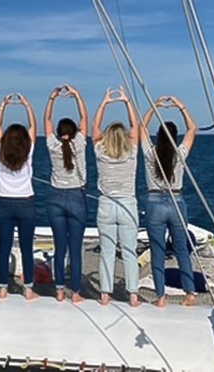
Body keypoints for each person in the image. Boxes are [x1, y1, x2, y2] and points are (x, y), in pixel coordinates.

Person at [141, 95, 198, 308]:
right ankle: (190, 293)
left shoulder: (149, 154)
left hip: (154, 202)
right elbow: (193, 129)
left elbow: (140, 128)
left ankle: (161, 297)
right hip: (177, 201)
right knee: (181, 249)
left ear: (158, 137)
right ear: (175, 137)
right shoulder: (180, 153)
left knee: (157, 251)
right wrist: (180, 105)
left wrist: (154, 107)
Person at [93, 86, 141, 307]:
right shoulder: (131, 151)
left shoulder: (100, 151)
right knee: (130, 251)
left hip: (106, 204)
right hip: (128, 204)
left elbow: (94, 127)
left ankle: (105, 294)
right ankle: (132, 295)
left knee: (107, 252)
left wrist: (104, 102)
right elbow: (136, 126)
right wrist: (126, 101)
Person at [43, 84, 88, 303]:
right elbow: (85, 117)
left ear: (60, 133)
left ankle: (60, 290)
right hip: (76, 197)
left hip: (55, 198)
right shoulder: (80, 142)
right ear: (75, 132)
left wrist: (52, 98)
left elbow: (47, 122)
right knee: (75, 249)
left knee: (59, 247)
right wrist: (77, 95)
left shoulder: (52, 145)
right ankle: (76, 292)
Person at [0, 93, 38, 301]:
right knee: (27, 248)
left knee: (4, 247)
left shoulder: (0, 149)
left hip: (4, 202)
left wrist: (3, 106)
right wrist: (27, 105)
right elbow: (33, 126)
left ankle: (3, 288)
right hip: (26, 202)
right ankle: (28, 289)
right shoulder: (28, 150)